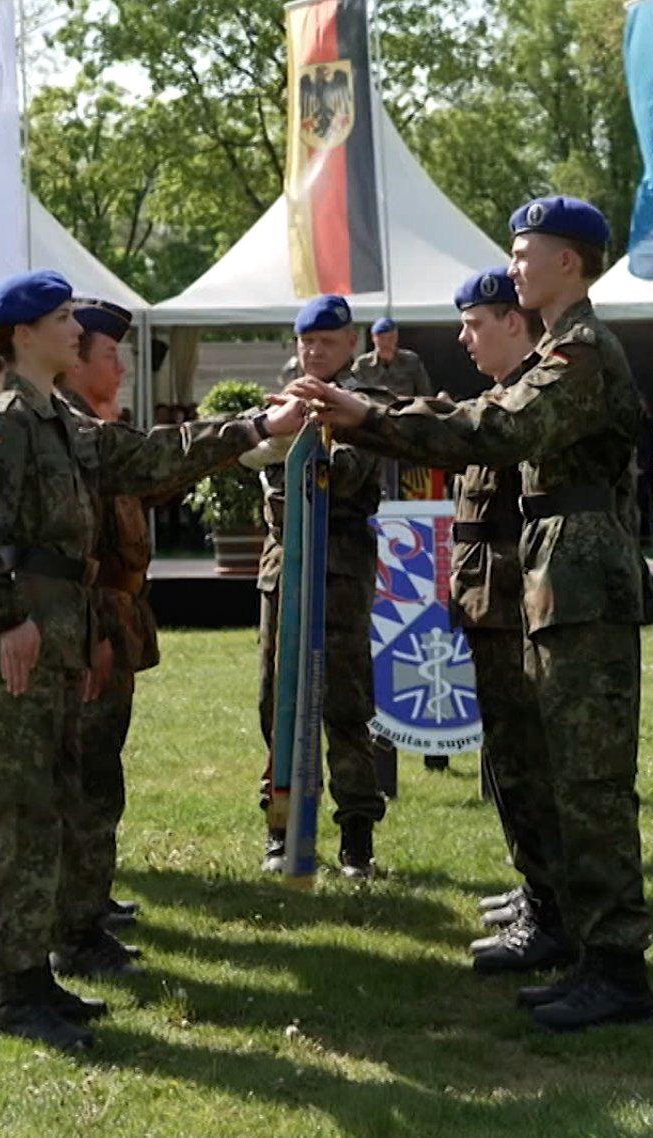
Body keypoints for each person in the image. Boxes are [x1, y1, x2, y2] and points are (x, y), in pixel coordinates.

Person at [0, 269, 303, 1051]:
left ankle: (40, 973)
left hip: (58, 635)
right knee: (21, 810)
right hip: (21, 641)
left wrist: (255, 427)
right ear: (23, 336)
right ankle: (15, 994)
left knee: (53, 798)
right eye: (61, 319)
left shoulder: (59, 421)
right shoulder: (6, 422)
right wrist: (6, 617)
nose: (75, 332)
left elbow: (147, 458)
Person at [290, 195, 653, 1032]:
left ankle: (617, 968)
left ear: (569, 261)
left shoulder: (583, 353)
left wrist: (373, 417)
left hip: (582, 572)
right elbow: (482, 420)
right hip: (557, 568)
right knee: (558, 769)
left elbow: (495, 428)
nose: (515, 266)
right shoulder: (562, 348)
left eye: (526, 255)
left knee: (591, 778)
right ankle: (567, 932)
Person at [442, 267, 571, 976]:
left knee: (528, 763)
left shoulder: (534, 401)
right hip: (489, 610)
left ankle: (552, 912)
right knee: (507, 760)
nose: (464, 338)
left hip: (517, 610)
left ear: (513, 322)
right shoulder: (499, 397)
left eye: (476, 324)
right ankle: (537, 890)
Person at [249, 295, 390, 878]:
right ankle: (281, 828)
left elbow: (347, 473)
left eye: (326, 343)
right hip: (284, 567)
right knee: (274, 700)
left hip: (338, 570)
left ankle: (356, 833)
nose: (313, 351)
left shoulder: (365, 405)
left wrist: (308, 427)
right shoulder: (284, 401)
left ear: (351, 344)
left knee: (346, 703)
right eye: (306, 342)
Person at [49, 298, 159, 975]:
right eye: (109, 354)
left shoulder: (101, 427)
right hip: (91, 624)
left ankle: (89, 900)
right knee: (86, 775)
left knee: (101, 768)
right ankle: (76, 919)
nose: (120, 367)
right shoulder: (74, 434)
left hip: (115, 615)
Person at [352, 317, 434, 399]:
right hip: (375, 409)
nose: (386, 342)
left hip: (404, 409)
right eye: (382, 338)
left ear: (396, 337)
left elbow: (425, 392)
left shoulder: (411, 360)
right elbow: (349, 387)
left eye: (391, 337)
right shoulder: (363, 363)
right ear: (373, 338)